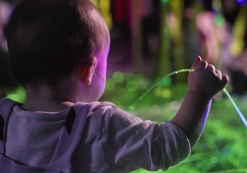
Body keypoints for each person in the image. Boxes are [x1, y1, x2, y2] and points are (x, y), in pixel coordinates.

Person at [1, 0, 228, 172]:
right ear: (87, 70)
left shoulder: (4, 119)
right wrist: (200, 93)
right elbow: (169, 145)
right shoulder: (101, 126)